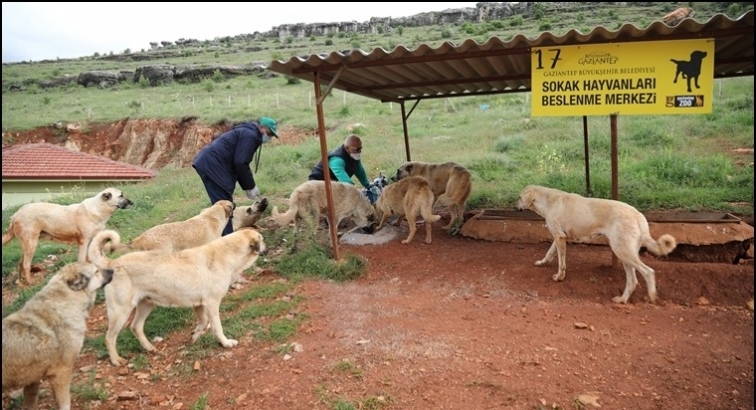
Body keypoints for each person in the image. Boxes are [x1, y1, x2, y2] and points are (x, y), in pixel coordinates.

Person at [192, 116, 278, 236]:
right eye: (270, 133)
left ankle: (220, 238)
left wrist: (247, 186)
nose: (270, 137)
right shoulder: (251, 135)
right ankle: (226, 242)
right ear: (262, 128)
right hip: (213, 166)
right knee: (225, 207)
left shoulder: (247, 132)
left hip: (209, 164)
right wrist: (250, 186)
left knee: (222, 205)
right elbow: (240, 162)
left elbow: (237, 161)